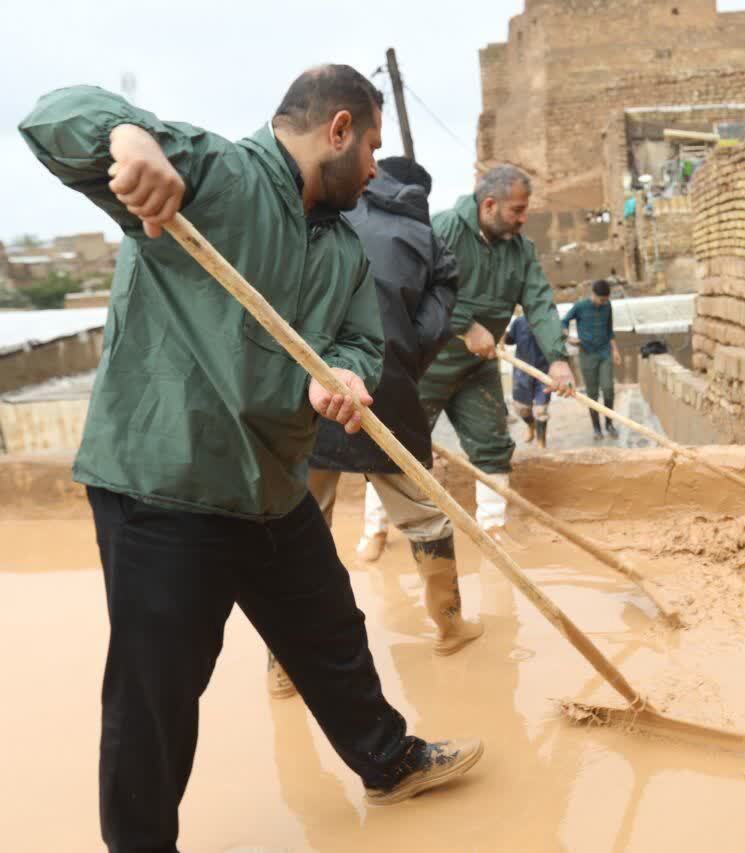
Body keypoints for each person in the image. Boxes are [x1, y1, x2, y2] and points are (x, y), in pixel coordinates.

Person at [18, 67, 482, 850]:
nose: (374, 168)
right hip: (167, 485)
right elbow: (52, 115)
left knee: (332, 630)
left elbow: (360, 343)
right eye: (370, 146)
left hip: (271, 482)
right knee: (157, 688)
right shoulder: (214, 175)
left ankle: (387, 760)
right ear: (337, 130)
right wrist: (126, 138)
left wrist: (340, 377)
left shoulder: (341, 247)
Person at [265, 156, 479, 701]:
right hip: (384, 390)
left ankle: (284, 667)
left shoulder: (318, 217)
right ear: (420, 193)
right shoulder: (427, 241)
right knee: (425, 518)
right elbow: (434, 324)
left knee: (294, 526)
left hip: (308, 390)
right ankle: (451, 628)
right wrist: (402, 363)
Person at [423, 165, 575, 530]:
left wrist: (557, 359)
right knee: (397, 447)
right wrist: (465, 325)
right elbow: (415, 286)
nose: (524, 219)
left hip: (477, 367)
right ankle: (376, 534)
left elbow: (539, 303)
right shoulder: (441, 230)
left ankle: (494, 534)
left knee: (492, 447)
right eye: (517, 211)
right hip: (424, 365)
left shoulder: (520, 250)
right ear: (489, 204)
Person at [563, 279, 622, 439]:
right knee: (592, 394)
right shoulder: (580, 306)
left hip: (604, 353)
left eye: (606, 300)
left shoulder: (607, 306)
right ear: (593, 295)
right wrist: (568, 338)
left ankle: (609, 424)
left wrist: (615, 350)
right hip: (587, 354)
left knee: (608, 389)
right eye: (601, 300)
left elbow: (609, 330)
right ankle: (596, 428)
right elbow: (564, 320)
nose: (604, 302)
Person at [502, 313, 552, 448]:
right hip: (522, 372)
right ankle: (531, 426)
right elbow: (510, 340)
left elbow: (557, 343)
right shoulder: (519, 322)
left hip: (544, 371)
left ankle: (542, 443)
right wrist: (501, 332)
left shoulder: (549, 319)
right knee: (522, 409)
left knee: (541, 410)